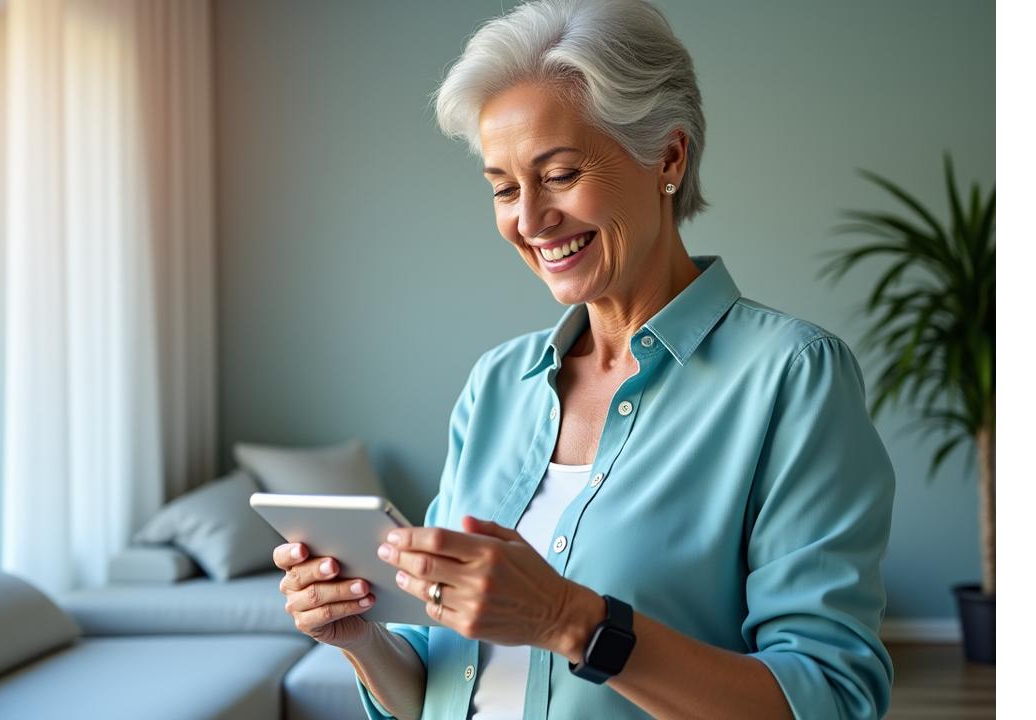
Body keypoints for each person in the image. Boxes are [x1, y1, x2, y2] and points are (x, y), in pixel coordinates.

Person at [272, 0, 895, 717]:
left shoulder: (792, 377)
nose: (529, 220)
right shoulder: (498, 385)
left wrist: (570, 620)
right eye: (503, 187)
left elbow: (832, 699)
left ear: (667, 156)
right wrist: (362, 640)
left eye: (560, 174)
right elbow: (444, 688)